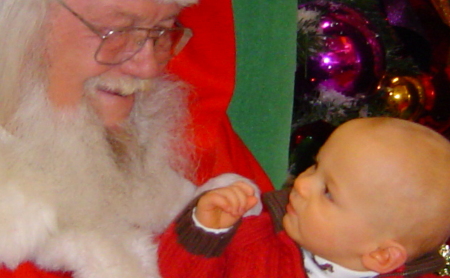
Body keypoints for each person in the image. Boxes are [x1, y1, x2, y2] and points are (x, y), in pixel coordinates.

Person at [0, 0, 273, 277]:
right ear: (17, 20)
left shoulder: (195, 140)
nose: (147, 67)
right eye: (117, 30)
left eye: (160, 33)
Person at [159, 117, 450, 278]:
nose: (302, 184)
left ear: (381, 255)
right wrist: (207, 231)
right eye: (315, 166)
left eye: (328, 193)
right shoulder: (256, 243)